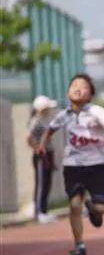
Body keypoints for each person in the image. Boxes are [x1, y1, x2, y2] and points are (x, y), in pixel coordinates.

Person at [37, 74, 104, 255]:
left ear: (90, 94)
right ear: (68, 92)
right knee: (73, 206)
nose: (78, 88)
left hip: (96, 164)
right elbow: (50, 129)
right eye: (74, 85)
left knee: (101, 209)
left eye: (83, 86)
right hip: (72, 166)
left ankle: (93, 208)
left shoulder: (96, 111)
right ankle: (79, 245)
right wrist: (42, 145)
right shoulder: (64, 115)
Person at [27, 96, 58, 224]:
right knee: (41, 183)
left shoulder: (45, 121)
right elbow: (29, 138)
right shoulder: (36, 121)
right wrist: (37, 149)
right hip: (41, 156)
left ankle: (44, 211)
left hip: (49, 154)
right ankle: (39, 212)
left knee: (47, 183)